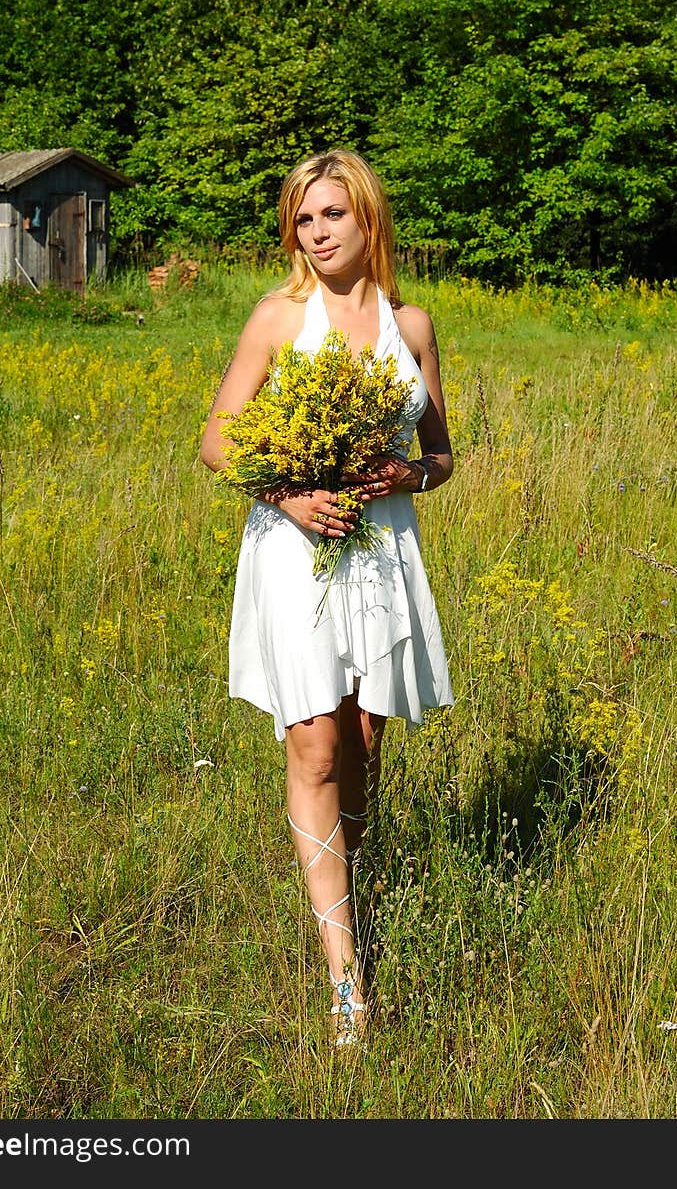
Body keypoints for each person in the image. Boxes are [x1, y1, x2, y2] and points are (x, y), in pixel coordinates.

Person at [200, 148, 454, 1047]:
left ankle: (353, 882)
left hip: (381, 551)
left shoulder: (410, 325)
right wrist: (288, 494)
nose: (318, 233)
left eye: (333, 215)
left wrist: (407, 472)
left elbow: (444, 455)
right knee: (313, 747)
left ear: (368, 219)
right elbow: (216, 438)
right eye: (305, 219)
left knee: (363, 745)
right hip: (292, 547)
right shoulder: (277, 317)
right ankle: (345, 975)